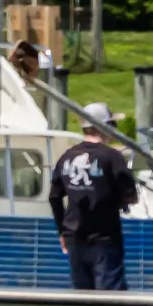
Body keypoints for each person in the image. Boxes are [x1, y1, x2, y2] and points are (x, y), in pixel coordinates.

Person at [46, 107, 138, 292]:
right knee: (110, 301)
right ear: (104, 127)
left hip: (74, 238)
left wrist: (62, 232)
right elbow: (130, 196)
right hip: (104, 238)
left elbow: (54, 196)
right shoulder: (112, 157)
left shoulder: (67, 156)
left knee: (82, 299)